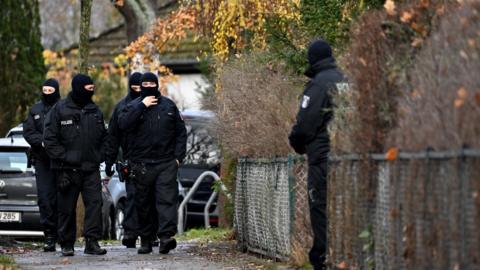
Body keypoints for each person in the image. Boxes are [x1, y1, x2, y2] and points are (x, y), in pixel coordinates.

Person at [288, 39, 348, 270]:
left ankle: (323, 259)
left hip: (323, 157)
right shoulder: (347, 81)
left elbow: (305, 125)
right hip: (349, 156)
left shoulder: (318, 85)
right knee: (346, 207)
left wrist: (297, 143)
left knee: (321, 207)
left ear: (312, 59)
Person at [118, 72, 187, 255]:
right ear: (141, 86)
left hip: (165, 163)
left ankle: (165, 237)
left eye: (151, 83)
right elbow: (123, 125)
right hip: (141, 164)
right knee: (143, 203)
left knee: (166, 201)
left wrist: (178, 158)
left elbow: (180, 133)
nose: (148, 86)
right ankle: (146, 239)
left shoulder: (168, 106)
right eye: (145, 83)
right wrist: (141, 106)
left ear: (156, 85)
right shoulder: (132, 106)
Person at [43, 74, 108, 256]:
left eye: (92, 88)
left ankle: (92, 242)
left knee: (95, 204)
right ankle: (66, 243)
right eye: (88, 88)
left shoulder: (95, 110)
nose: (91, 91)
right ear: (79, 88)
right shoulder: (59, 110)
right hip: (67, 170)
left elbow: (104, 137)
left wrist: (100, 155)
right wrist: (63, 158)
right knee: (66, 208)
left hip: (91, 169)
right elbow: (49, 139)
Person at [105, 72, 153, 248]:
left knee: (151, 197)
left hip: (151, 158)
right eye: (134, 88)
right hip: (130, 157)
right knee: (132, 196)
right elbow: (113, 137)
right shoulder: (121, 108)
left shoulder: (153, 105)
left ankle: (150, 233)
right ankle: (131, 233)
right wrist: (109, 161)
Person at [23, 78, 61, 252]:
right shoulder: (35, 110)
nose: (47, 94)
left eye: (50, 91)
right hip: (42, 160)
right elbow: (29, 131)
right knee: (45, 199)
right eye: (44, 91)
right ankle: (49, 236)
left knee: (62, 199)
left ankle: (64, 235)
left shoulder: (64, 108)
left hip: (62, 162)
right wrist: (43, 142)